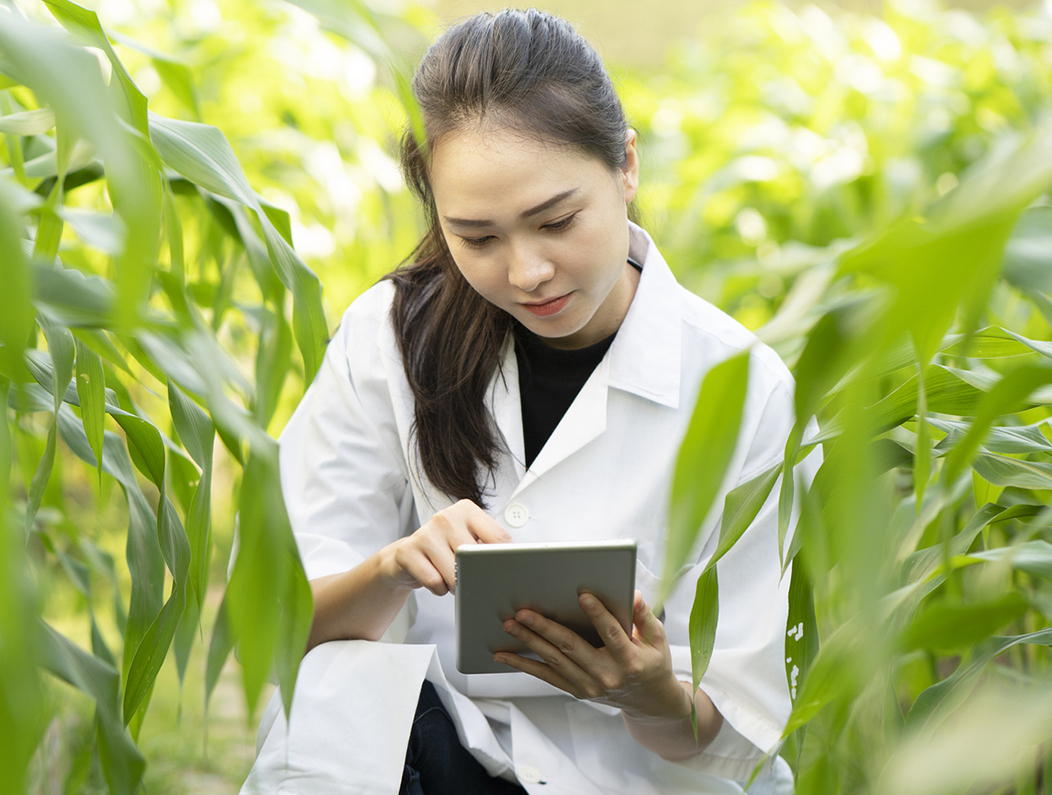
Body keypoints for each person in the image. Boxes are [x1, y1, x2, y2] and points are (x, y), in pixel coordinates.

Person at [241, 9, 806, 795]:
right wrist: (392, 567)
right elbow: (275, 622)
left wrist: (649, 692)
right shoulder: (391, 337)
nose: (528, 270)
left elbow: (739, 724)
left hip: (627, 777)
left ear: (626, 166)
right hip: (433, 756)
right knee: (340, 690)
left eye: (556, 221)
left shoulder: (744, 389)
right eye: (478, 237)